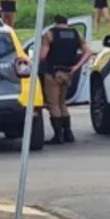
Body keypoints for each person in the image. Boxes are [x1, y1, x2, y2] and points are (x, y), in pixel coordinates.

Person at [38, 15, 93, 144]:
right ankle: (68, 134)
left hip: (53, 73)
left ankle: (59, 136)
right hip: (68, 73)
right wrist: (77, 66)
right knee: (62, 103)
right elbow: (88, 52)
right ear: (66, 23)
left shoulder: (50, 34)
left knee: (54, 104)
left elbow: (42, 56)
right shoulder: (75, 34)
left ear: (55, 22)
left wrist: (42, 47)